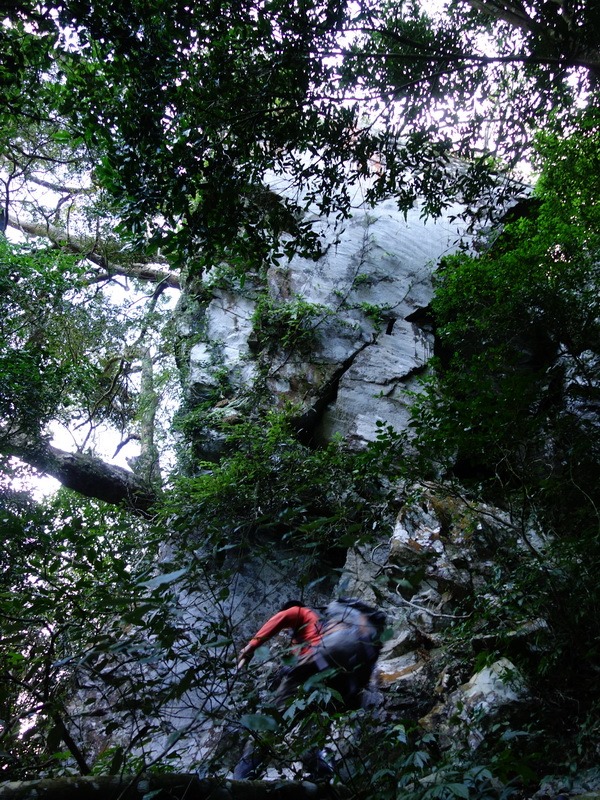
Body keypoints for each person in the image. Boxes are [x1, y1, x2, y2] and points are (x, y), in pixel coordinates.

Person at [233, 598, 385, 780]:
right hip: (343, 682)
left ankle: (242, 776)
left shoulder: (306, 613)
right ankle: (322, 775)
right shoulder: (349, 627)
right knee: (315, 730)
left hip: (317, 665)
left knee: (268, 723)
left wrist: (251, 647)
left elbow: (287, 615)